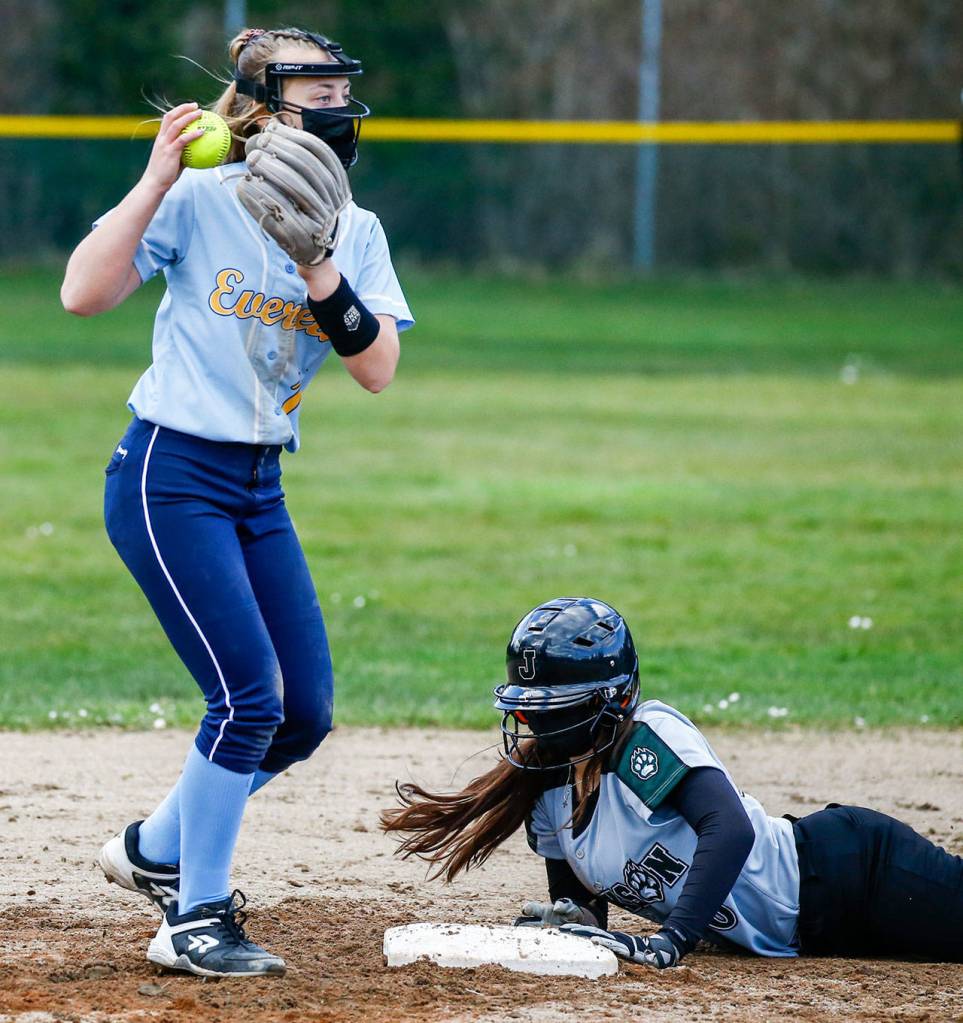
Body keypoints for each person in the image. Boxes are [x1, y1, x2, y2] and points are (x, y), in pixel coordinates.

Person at [61, 26, 413, 977]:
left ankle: (153, 849)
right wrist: (153, 181)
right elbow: (82, 294)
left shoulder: (357, 230)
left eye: (346, 92)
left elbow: (376, 366)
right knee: (247, 697)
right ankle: (195, 914)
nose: (340, 108)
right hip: (168, 474)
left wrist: (317, 265)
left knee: (302, 714)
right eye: (320, 92)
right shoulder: (200, 198)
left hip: (258, 486)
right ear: (263, 107)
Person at [382, 597, 963, 967]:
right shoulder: (550, 794)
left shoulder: (644, 739)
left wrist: (669, 943)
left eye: (556, 707)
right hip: (812, 938)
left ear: (613, 699)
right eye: (531, 708)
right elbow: (585, 908)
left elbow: (729, 829)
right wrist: (571, 926)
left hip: (850, 874)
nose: (537, 722)